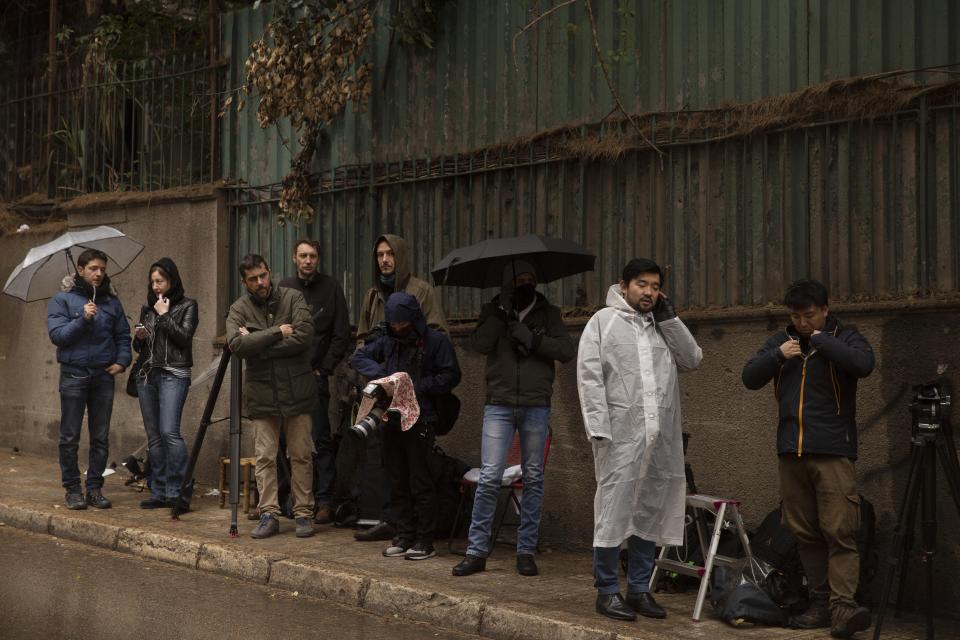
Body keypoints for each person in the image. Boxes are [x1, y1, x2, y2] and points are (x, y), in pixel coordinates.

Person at [742, 279, 874, 639]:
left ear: (825, 310)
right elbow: (748, 377)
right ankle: (819, 604)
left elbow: (864, 364)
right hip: (791, 451)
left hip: (832, 450)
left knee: (840, 531)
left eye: (810, 314)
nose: (802, 322)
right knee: (805, 533)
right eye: (796, 315)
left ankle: (842, 607)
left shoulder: (845, 337)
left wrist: (821, 339)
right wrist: (776, 356)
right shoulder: (780, 343)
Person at [576, 258, 702, 622]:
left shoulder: (662, 326)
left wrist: (671, 320)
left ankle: (640, 590)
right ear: (624, 285)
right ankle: (606, 591)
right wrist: (599, 428)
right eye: (641, 284)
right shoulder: (603, 322)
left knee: (650, 510)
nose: (648, 292)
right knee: (614, 510)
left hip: (659, 439)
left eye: (655, 286)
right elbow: (589, 377)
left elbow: (693, 359)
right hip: (619, 437)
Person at [452, 260, 576, 578]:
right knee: (491, 476)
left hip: (536, 403)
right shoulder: (493, 310)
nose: (525, 284)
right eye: (518, 280)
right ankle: (476, 551)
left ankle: (525, 550)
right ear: (507, 284)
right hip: (500, 404)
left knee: (533, 477)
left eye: (529, 279)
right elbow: (478, 345)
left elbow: (565, 350)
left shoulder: (548, 313)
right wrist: (500, 313)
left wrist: (533, 340)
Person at [351, 292, 461, 560]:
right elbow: (359, 357)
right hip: (392, 418)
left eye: (402, 323)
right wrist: (386, 379)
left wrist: (417, 386)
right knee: (397, 478)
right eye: (394, 323)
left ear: (414, 319)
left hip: (422, 418)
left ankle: (425, 540)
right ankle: (403, 534)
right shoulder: (388, 340)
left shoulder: (436, 342)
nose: (398, 328)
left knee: (421, 480)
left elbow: (451, 375)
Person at [353, 233, 448, 542]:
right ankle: (392, 521)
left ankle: (419, 534)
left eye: (390, 253)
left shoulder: (421, 291)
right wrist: (382, 377)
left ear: (401, 256)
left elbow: (437, 336)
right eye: (379, 254)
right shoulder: (373, 294)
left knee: (417, 470)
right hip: (383, 394)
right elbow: (362, 340)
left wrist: (409, 372)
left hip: (416, 398)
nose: (384, 259)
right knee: (386, 463)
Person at [226, 254, 317, 539]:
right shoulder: (238, 308)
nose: (260, 282)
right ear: (244, 282)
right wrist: (277, 332)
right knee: (264, 457)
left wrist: (259, 341)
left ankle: (304, 514)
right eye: (253, 279)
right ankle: (269, 513)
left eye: (263, 275)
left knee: (301, 455)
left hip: (296, 390)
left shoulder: (293, 298)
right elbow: (237, 345)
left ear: (270, 271)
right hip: (262, 393)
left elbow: (304, 336)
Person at [47, 248, 132, 510]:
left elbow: (122, 336)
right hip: (74, 373)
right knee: (70, 436)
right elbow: (58, 337)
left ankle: (94, 488)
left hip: (103, 375)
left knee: (100, 436)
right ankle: (72, 490)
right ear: (80, 270)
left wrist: (122, 361)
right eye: (93, 268)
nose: (98, 273)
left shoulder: (111, 302)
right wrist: (83, 319)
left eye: (102, 269)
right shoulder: (61, 301)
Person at [279, 239, 351, 525]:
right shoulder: (284, 288)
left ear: (318, 259)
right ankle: (285, 498)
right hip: (286, 379)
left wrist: (324, 368)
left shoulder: (331, 288)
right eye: (302, 256)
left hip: (316, 377)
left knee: (320, 440)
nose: (307, 261)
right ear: (294, 259)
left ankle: (324, 501)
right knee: (283, 440)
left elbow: (341, 333)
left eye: (312, 256)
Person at [131, 258, 198, 510]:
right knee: (154, 436)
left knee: (170, 432)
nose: (156, 287)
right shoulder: (147, 308)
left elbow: (183, 338)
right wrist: (139, 337)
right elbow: (140, 348)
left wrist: (164, 315)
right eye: (153, 282)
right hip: (147, 375)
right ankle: (159, 491)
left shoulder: (188, 305)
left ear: (172, 280)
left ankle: (179, 493)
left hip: (174, 374)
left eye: (161, 281)